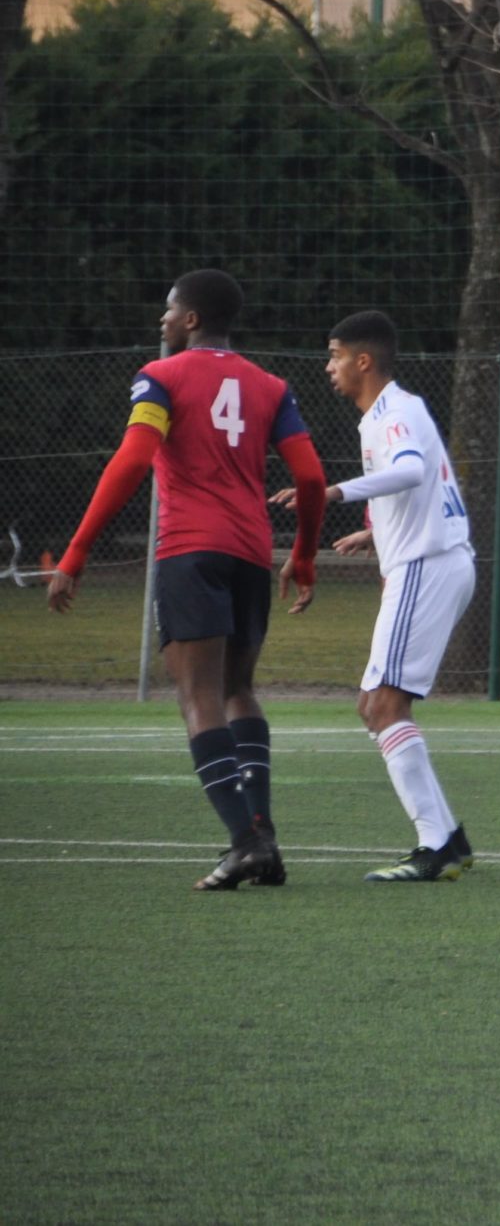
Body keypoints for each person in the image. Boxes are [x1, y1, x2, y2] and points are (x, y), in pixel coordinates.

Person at [47, 269, 327, 889]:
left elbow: (134, 457)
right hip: (253, 551)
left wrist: (76, 551)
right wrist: (303, 552)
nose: (162, 320)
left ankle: (245, 841)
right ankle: (264, 839)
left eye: (169, 310)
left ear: (192, 319)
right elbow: (310, 478)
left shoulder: (161, 376)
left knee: (198, 697)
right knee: (239, 691)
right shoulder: (271, 386)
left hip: (190, 549)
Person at [271, 311, 478, 881]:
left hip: (426, 567)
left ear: (364, 361)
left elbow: (411, 471)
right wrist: (377, 528)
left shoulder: (391, 412)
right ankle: (449, 839)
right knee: (374, 706)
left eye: (335, 354)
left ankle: (434, 846)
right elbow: (430, 481)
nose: (328, 365)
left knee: (384, 706)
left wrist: (334, 490)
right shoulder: (399, 410)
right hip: (434, 560)